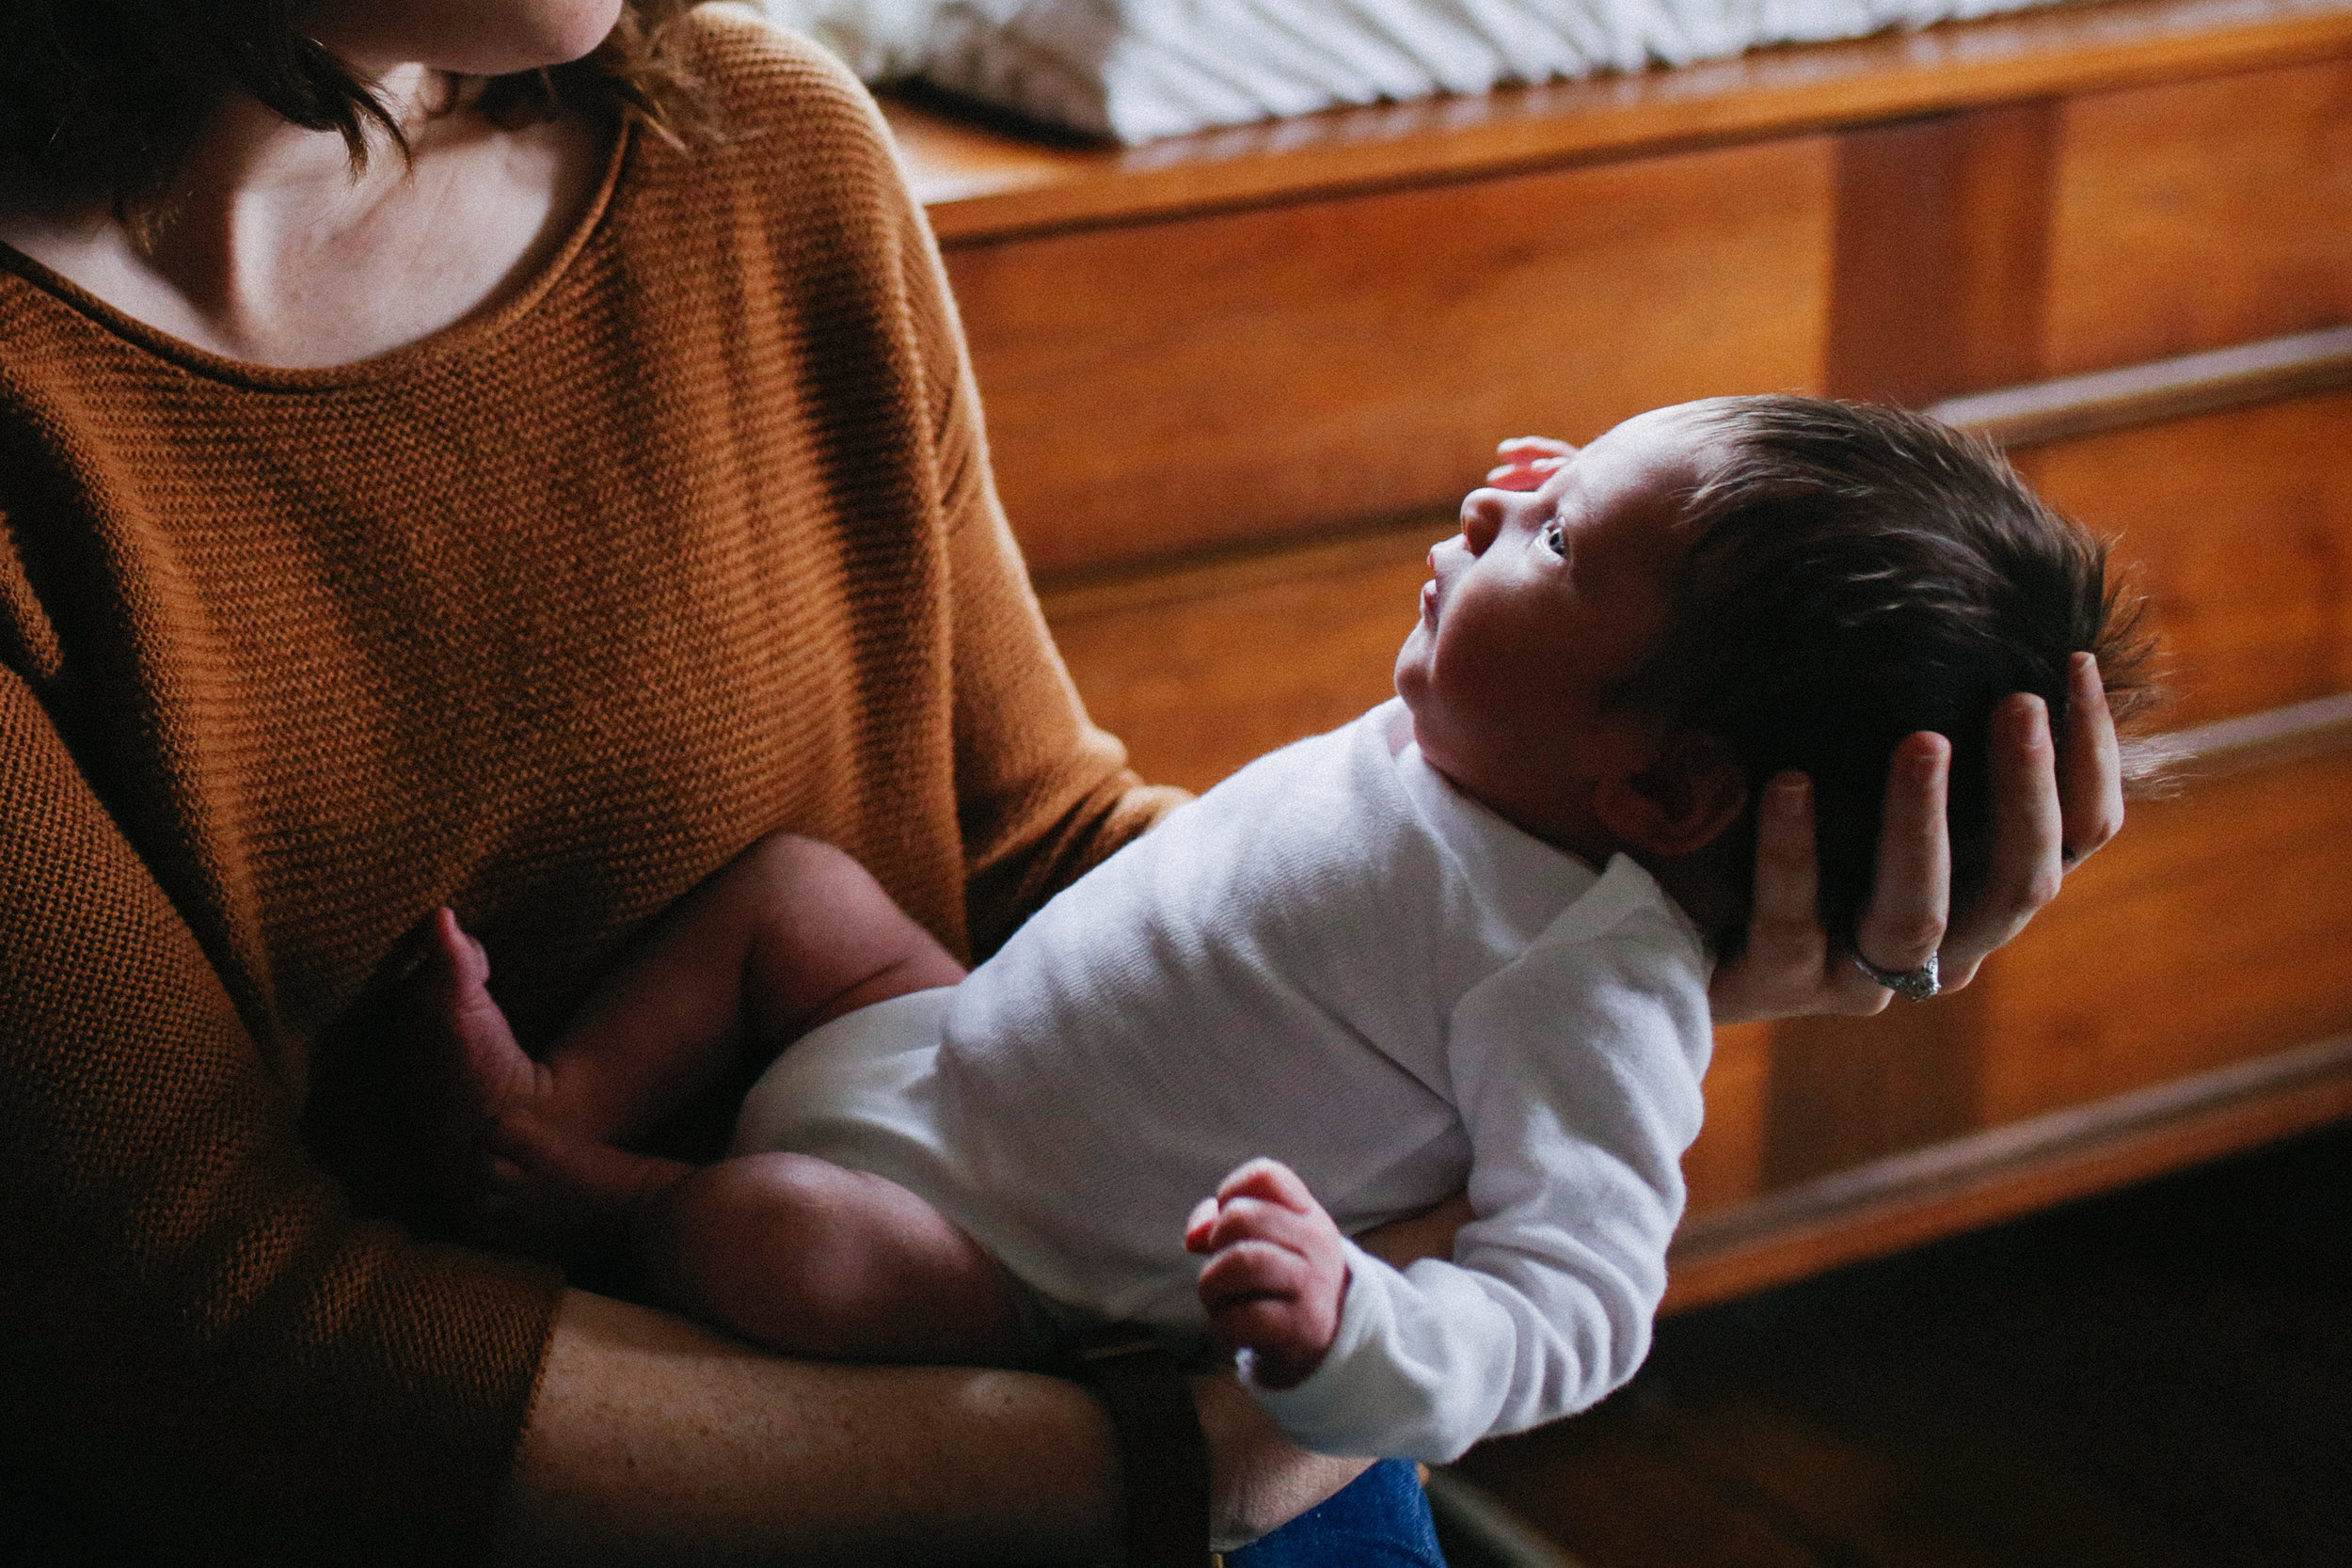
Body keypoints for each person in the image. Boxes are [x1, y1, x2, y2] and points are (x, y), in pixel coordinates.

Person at [0, 2, 2128, 1562]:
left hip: (1079, 1310)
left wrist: (1654, 974)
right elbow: (221, 1360)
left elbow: (1053, 859)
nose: (1510, 498)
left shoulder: (762, 146)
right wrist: (1173, 1458)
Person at [403, 394, 2153, 1466]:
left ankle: (572, 1190)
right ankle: (568, 1089)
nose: (1494, 496)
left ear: (1670, 792)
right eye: (1555, 463)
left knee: (782, 1241)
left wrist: (1350, 1333)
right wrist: (1583, 531)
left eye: (1552, 531)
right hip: (939, 1042)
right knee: (799, 895)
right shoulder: (1489, 748)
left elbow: (1582, 1305)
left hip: (993, 1259)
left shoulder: (1590, 987)